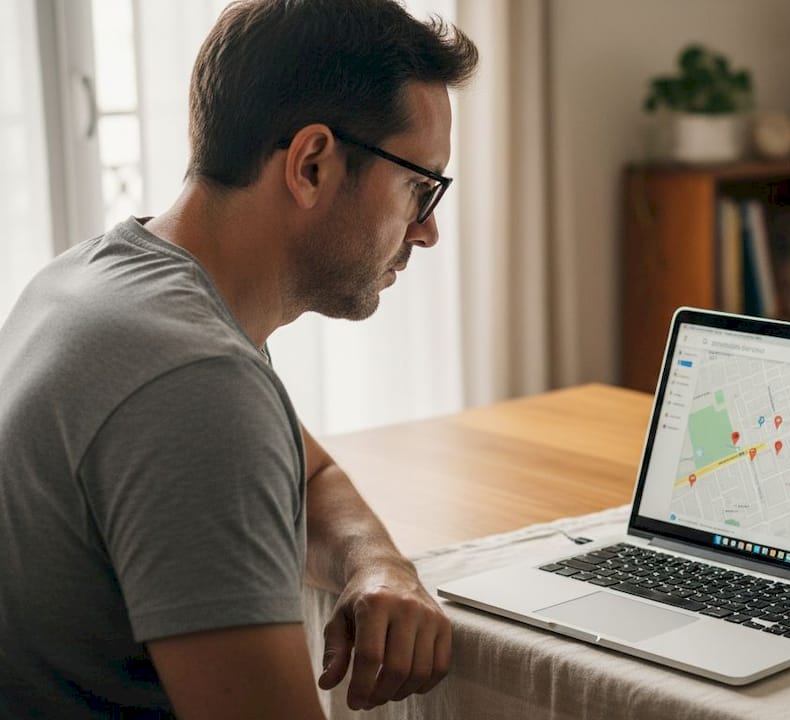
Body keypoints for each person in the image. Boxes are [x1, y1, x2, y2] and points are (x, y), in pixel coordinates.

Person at [0, 0, 477, 717]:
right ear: (312, 163)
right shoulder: (193, 382)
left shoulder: (101, 277)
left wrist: (375, 562)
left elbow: (311, 467)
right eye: (420, 185)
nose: (429, 230)